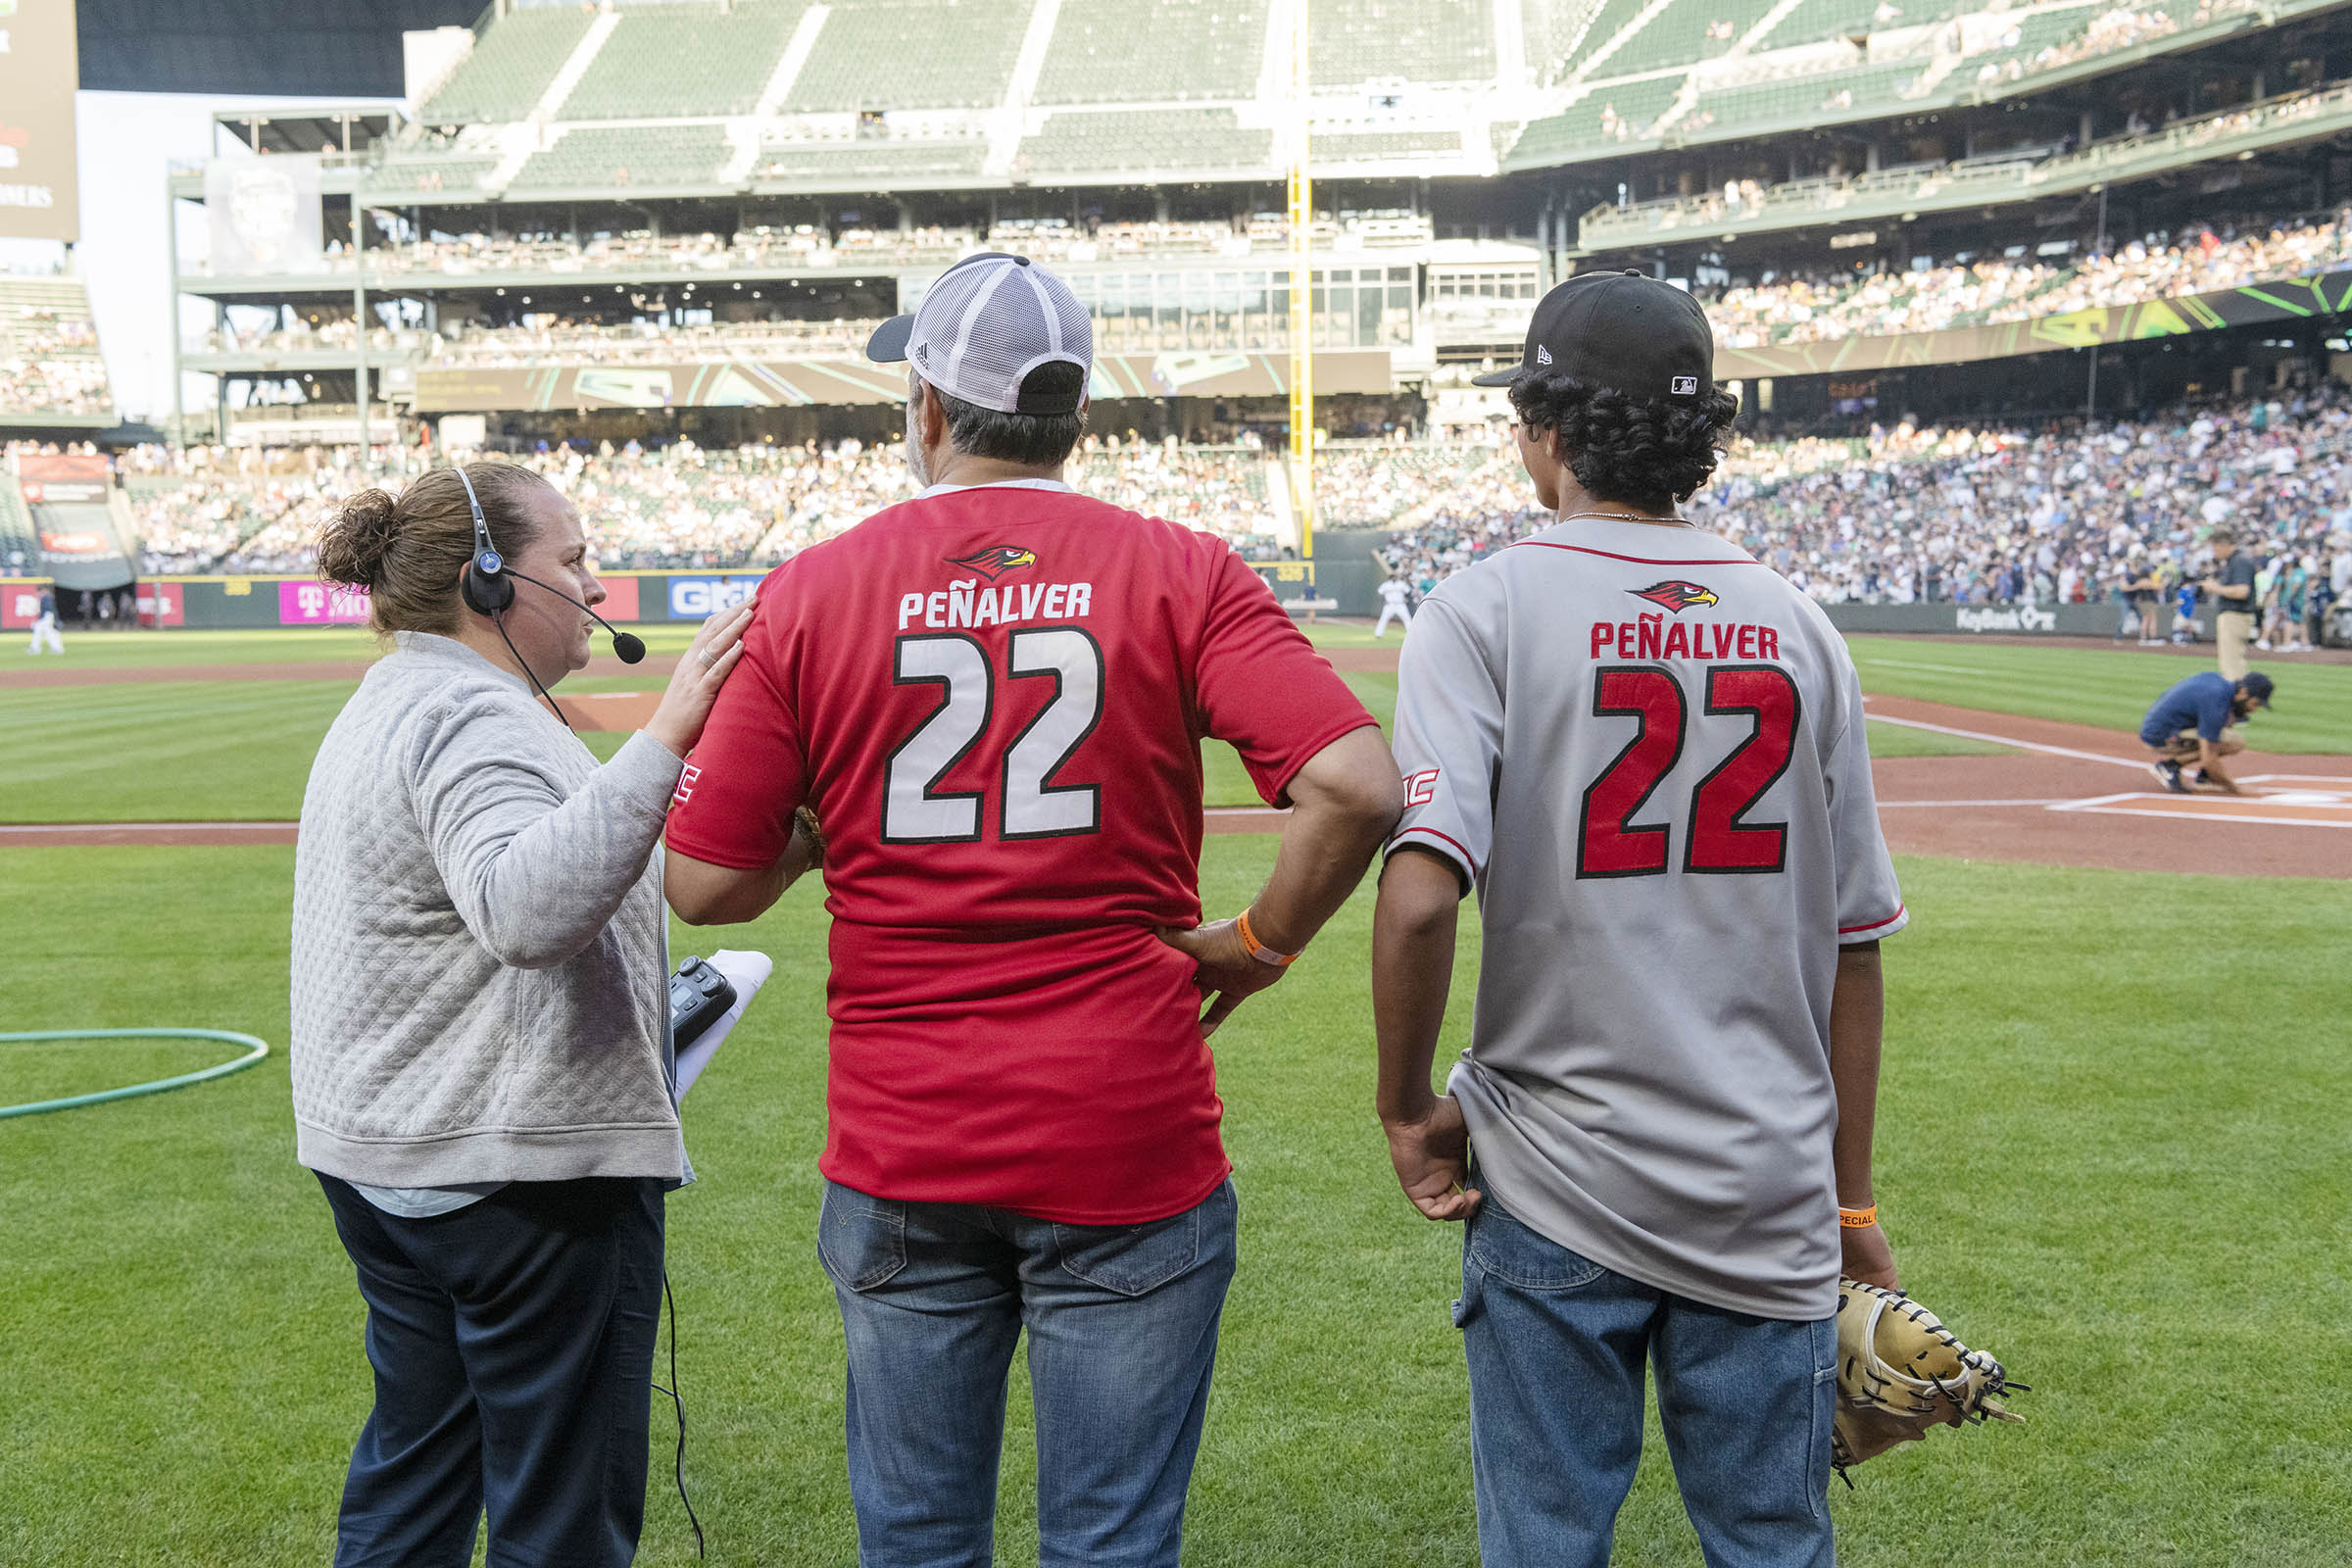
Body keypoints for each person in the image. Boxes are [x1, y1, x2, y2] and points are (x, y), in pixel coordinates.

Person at [662, 253, 1401, 1568]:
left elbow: (704, 882)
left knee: (917, 1543)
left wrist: (834, 829)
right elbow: (1351, 786)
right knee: (1111, 1546)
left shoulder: (813, 589)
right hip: (1124, 1126)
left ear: (930, 410)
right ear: (1074, 415)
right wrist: (1261, 945)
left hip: (906, 1139)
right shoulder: (1183, 567)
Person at [1371, 270, 1906, 1568]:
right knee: (1774, 1545)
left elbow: (1423, 891)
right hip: (1765, 1190)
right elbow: (1854, 944)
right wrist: (1848, 1205)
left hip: (1555, 1180)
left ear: (1545, 430)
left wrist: (1405, 1108)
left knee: (1546, 1542)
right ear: (1702, 436)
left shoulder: (1483, 605)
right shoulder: (1798, 623)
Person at [291, 461, 762, 1567]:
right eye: (575, 559)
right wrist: (672, 728)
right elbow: (523, 906)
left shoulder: (407, 694)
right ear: (489, 582)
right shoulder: (468, 711)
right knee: (562, 1515)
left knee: (417, 1475)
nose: (597, 587)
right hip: (513, 1183)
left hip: (397, 1158)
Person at [2140, 669, 2273, 795]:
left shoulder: (2220, 686)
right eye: (2255, 704)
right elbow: (2208, 759)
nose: (2254, 710)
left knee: (2225, 726)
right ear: (2243, 692)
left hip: (2163, 727)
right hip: (2159, 736)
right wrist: (2235, 788)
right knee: (2234, 742)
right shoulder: (2216, 701)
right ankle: (2169, 766)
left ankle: (2205, 777)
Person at [2201, 527, 2259, 675]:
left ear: (2222, 545)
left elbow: (2242, 591)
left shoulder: (2239, 561)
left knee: (2231, 666)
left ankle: (2237, 696)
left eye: (2214, 547)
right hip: (2233, 615)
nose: (2213, 552)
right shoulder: (2234, 561)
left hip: (2236, 615)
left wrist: (2215, 588)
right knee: (2230, 663)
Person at [1373, 569, 1415, 636]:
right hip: (1389, 605)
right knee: (1383, 619)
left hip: (1400, 604)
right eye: (1392, 576)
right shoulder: (1386, 585)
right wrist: (1383, 600)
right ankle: (1378, 634)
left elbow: (1408, 592)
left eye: (1394, 576)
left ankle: (1412, 634)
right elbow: (1380, 593)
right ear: (1390, 577)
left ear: (1397, 577)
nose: (1393, 577)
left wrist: (1407, 599)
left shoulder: (1401, 584)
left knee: (1407, 619)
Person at [24, 586, 62, 654]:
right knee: (49, 633)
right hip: (48, 617)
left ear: (43, 590)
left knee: (40, 630)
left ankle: (35, 648)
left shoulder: (46, 597)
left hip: (47, 617)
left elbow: (48, 610)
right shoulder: (47, 597)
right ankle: (56, 648)